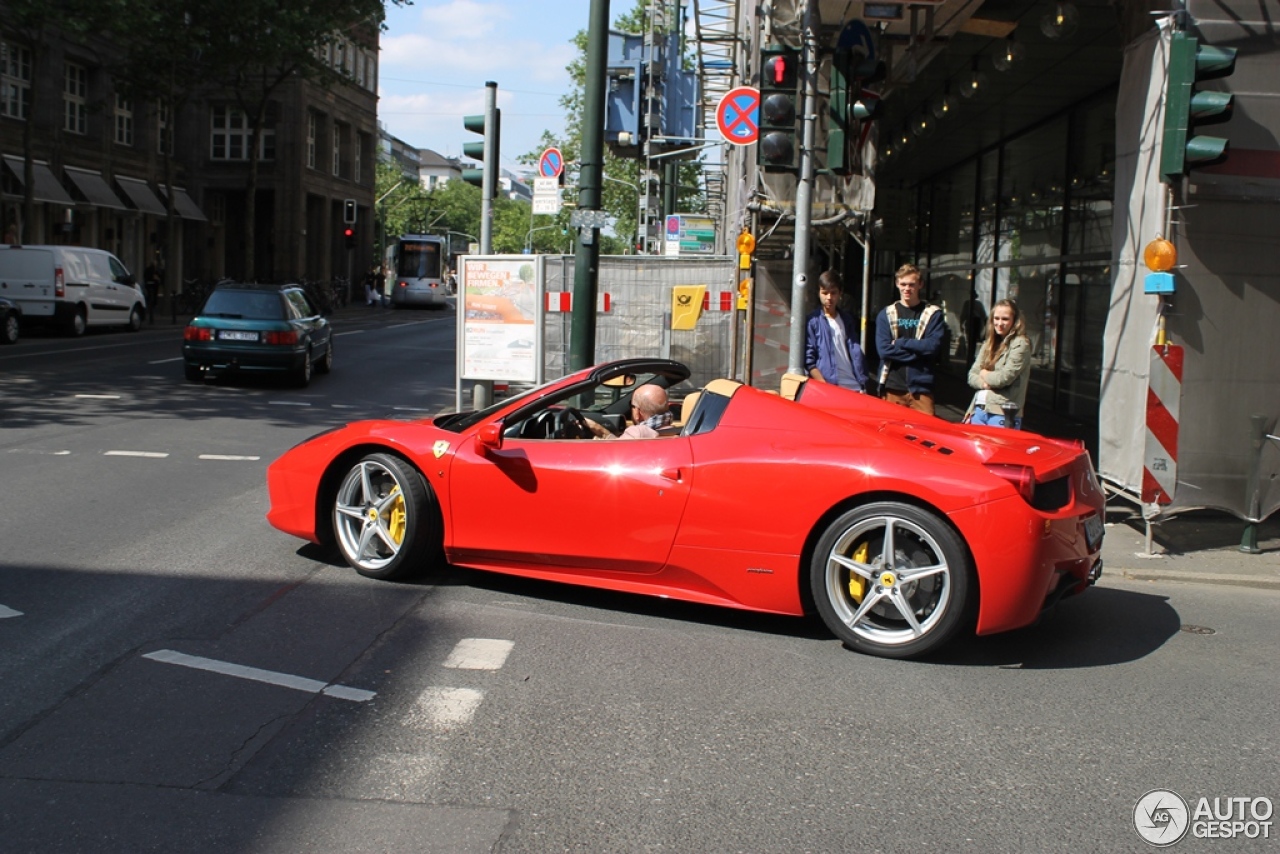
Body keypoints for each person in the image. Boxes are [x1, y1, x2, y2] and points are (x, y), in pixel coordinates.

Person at [875, 263, 946, 415]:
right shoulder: (886, 314)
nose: (907, 289)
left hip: (921, 390)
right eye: (903, 284)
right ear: (897, 284)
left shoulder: (933, 314)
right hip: (892, 387)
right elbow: (884, 351)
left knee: (925, 435)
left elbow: (932, 347)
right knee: (890, 435)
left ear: (920, 284)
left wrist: (901, 343)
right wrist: (919, 352)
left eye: (912, 284)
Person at [966, 298, 1031, 428]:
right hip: (978, 410)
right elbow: (972, 375)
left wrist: (984, 373)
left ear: (1015, 321)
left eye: (1005, 319)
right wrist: (985, 384)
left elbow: (1004, 378)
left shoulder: (1020, 344)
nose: (999, 323)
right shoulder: (989, 343)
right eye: (996, 318)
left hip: (1002, 413)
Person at [804, 270, 868, 392]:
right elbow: (809, 360)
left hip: (854, 385)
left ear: (840, 294)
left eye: (833, 293)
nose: (829, 297)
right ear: (819, 293)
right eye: (825, 293)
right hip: (831, 387)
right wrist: (823, 384)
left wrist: (862, 380)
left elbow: (854, 352)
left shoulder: (847, 319)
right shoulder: (813, 321)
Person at [588, 384, 671, 439]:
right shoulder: (677, 433)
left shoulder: (638, 433)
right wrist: (605, 434)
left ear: (637, 412)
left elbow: (615, 451)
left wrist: (598, 431)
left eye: (632, 406)